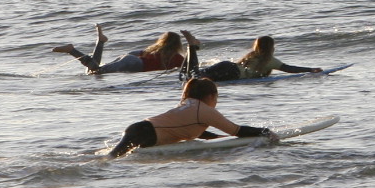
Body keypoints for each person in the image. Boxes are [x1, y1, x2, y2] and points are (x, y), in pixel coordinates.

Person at [106, 76, 273, 157]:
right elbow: (237, 130)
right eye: (217, 97)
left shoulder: (189, 104)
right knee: (110, 161)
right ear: (210, 96)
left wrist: (218, 137)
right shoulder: (205, 110)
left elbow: (193, 130)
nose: (216, 101)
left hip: (140, 130)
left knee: (112, 158)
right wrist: (265, 132)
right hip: (145, 133)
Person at [53, 27, 198, 75]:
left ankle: (101, 41)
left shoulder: (154, 50)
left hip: (130, 58)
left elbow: (135, 54)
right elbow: (188, 68)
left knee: (93, 70)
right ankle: (72, 50)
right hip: (135, 64)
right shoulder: (177, 57)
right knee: (95, 70)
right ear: (177, 44)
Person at [230, 35, 323, 79]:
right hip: (233, 73)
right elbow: (289, 69)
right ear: (271, 47)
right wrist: (310, 69)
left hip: (229, 67)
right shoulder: (269, 60)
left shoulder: (251, 55)